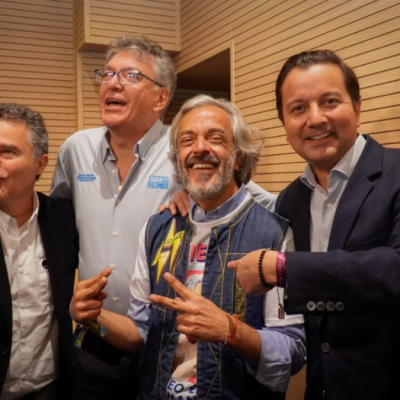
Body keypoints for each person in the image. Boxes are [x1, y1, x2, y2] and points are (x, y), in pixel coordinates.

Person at [51, 35, 275, 398]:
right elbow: (58, 230)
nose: (112, 83)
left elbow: (253, 200)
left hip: (162, 343)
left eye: (129, 75)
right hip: (98, 330)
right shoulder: (75, 149)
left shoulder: (187, 147)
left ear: (161, 98)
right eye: (107, 73)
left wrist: (197, 190)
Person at [70, 95, 306, 399]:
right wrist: (94, 320)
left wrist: (231, 331)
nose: (200, 148)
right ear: (178, 160)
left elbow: (291, 353)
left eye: (216, 138)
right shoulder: (156, 230)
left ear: (238, 158)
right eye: (187, 140)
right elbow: (141, 335)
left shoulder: (274, 234)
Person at [229, 50, 400, 399]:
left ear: (358, 108)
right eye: (298, 108)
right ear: (285, 124)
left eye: (329, 102)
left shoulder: (395, 173)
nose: (315, 118)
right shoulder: (290, 200)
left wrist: (282, 267)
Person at [0, 103, 78, 400]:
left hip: (49, 389)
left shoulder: (63, 219)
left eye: (7, 152)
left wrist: (181, 194)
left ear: (40, 164)